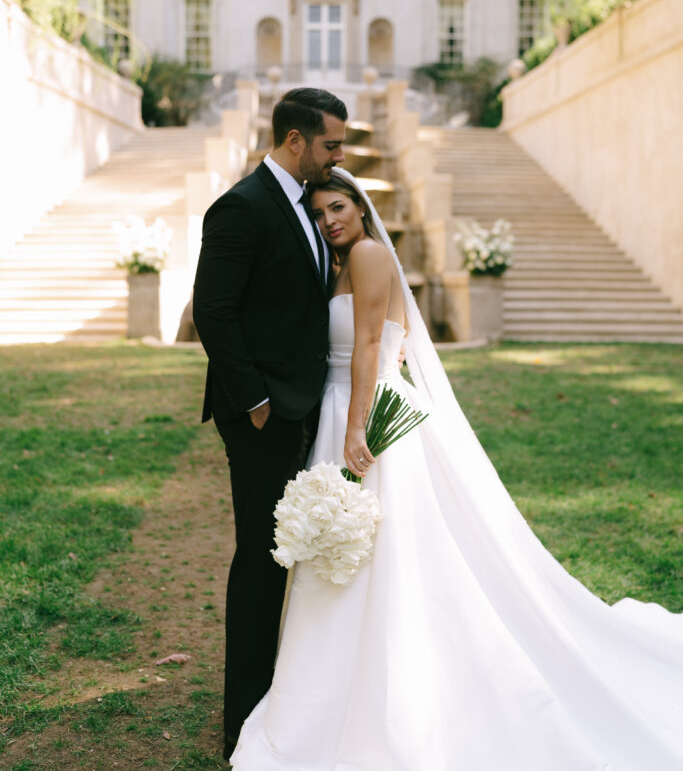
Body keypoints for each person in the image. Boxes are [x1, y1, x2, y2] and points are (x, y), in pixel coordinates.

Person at [231, 168, 683, 771]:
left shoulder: (366, 255)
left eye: (338, 207)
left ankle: (375, 694)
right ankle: (330, 691)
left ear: (362, 208)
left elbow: (369, 345)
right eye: (319, 214)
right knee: (344, 551)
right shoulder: (337, 263)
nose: (329, 221)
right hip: (343, 407)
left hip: (368, 412)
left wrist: (354, 428)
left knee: (377, 550)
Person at [192, 88, 347, 762]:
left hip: (304, 407)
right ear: (294, 141)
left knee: (295, 557)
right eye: (330, 144)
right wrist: (255, 401)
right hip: (261, 416)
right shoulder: (242, 206)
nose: (338, 155)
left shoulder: (306, 208)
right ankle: (244, 720)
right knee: (260, 562)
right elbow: (213, 311)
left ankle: (289, 696)